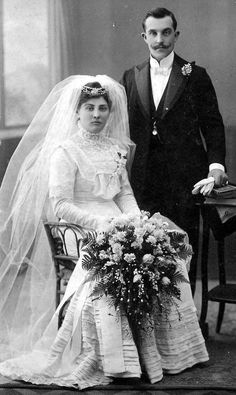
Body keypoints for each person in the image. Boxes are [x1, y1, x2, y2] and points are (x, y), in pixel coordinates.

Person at [0, 75, 208, 389]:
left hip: (118, 222)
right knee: (111, 268)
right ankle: (117, 360)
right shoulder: (65, 151)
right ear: (77, 112)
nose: (97, 114)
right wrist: (100, 225)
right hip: (81, 230)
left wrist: (137, 220)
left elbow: (123, 194)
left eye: (102, 108)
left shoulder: (115, 149)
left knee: (168, 256)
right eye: (89, 108)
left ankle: (166, 354)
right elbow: (61, 205)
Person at [120, 7, 228, 293]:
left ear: (176, 35)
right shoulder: (131, 77)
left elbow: (213, 125)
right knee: (145, 254)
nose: (160, 39)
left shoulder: (195, 75)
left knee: (182, 253)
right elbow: (120, 130)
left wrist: (216, 166)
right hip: (143, 181)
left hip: (184, 181)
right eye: (153, 33)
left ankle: (186, 329)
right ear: (144, 37)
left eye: (166, 32)